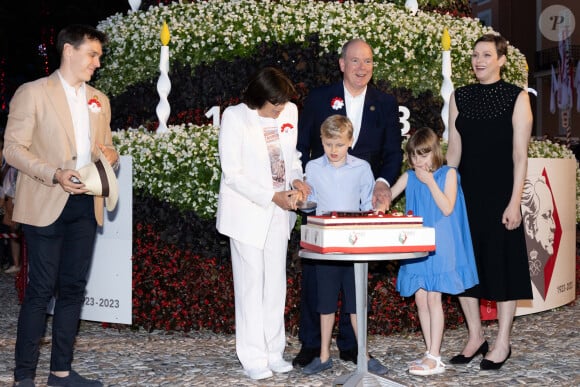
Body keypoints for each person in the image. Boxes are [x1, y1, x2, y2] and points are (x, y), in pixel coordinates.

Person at [4, 24, 119, 387]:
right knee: (40, 291)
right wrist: (54, 173)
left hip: (86, 205)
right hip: (45, 202)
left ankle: (61, 373)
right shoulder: (33, 93)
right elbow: (12, 149)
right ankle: (24, 377)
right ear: (68, 51)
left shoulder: (100, 99)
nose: (97, 63)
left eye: (99, 56)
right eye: (92, 54)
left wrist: (110, 156)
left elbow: (105, 147)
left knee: (73, 289)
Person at [295, 38, 402, 367]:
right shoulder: (318, 99)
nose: (362, 68)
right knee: (318, 279)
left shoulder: (384, 103)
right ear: (342, 64)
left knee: (355, 279)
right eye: (355, 61)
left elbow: (393, 153)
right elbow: (301, 147)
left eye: (368, 61)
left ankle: (354, 346)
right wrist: (300, 183)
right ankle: (314, 346)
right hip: (323, 205)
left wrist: (382, 185)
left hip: (360, 208)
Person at [215, 67, 310, 381]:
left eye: (283, 103)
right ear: (257, 100)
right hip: (247, 212)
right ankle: (253, 356)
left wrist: (297, 178)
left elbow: (291, 155)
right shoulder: (235, 117)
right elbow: (233, 174)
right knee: (251, 285)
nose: (280, 109)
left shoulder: (290, 110)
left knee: (275, 285)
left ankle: (273, 351)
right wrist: (272, 196)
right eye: (274, 105)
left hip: (280, 214)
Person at [446, 33, 533, 370]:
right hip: (466, 195)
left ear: (501, 60)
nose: (478, 60)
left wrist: (514, 203)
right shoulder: (460, 97)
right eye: (474, 55)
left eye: (486, 54)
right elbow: (454, 151)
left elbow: (520, 155)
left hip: (501, 196)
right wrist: (444, 192)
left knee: (503, 266)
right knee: (465, 267)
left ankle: (502, 342)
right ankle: (475, 336)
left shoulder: (517, 97)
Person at [301, 115, 388, 375]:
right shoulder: (313, 168)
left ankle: (364, 354)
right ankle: (324, 354)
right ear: (321, 141)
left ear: (350, 141)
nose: (333, 151)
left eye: (339, 144)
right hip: (326, 247)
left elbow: (366, 204)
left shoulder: (362, 168)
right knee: (325, 302)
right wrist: (302, 198)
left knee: (356, 303)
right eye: (328, 144)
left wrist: (377, 210)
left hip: (354, 246)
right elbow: (311, 204)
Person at [390, 127, 479, 376]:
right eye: (414, 156)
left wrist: (429, 182)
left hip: (441, 244)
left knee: (432, 298)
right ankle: (430, 351)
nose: (419, 161)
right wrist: (379, 200)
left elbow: (447, 207)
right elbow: (390, 195)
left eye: (424, 155)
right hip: (417, 244)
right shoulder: (409, 176)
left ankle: (435, 356)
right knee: (420, 297)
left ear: (435, 152)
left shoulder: (448, 173)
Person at [1, 162, 20, 274]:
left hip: (15, 200)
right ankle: (16, 263)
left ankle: (23, 263)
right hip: (9, 199)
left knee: (17, 232)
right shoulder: (7, 166)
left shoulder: (17, 167)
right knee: (13, 232)